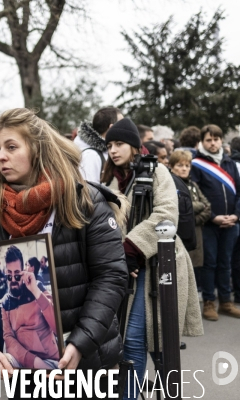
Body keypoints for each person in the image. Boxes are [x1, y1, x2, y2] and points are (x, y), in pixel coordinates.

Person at [0, 108, 128, 399]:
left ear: (38, 149)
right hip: (24, 366)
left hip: (86, 361)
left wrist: (79, 344)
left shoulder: (83, 200)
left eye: (11, 147)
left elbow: (111, 278)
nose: (0, 156)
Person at [102, 118, 203, 400]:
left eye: (119, 143)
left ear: (135, 146)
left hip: (160, 263)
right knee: (130, 341)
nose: (113, 150)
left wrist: (131, 247)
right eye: (109, 145)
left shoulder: (157, 171)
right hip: (124, 266)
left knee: (150, 342)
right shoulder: (108, 180)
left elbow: (166, 215)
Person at [191, 124, 240, 319]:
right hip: (210, 224)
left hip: (231, 222)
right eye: (209, 140)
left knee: (226, 263)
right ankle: (209, 302)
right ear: (202, 142)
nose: (213, 143)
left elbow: (239, 193)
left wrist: (236, 215)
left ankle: (226, 302)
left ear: (221, 140)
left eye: (216, 139)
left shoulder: (229, 163)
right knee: (209, 263)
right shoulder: (196, 165)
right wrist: (213, 217)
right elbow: (195, 197)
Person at [1, 246, 59, 370]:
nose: (13, 280)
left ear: (23, 271)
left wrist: (36, 291)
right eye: (9, 276)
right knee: (2, 362)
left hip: (50, 360)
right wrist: (35, 362)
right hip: (25, 361)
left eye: (17, 275)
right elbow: (8, 337)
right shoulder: (6, 302)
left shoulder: (37, 287)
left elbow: (57, 326)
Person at [169, 150, 211, 293]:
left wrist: (194, 218)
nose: (184, 169)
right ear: (172, 166)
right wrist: (198, 206)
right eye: (180, 165)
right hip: (180, 233)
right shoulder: (170, 183)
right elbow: (180, 207)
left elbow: (208, 207)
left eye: (187, 165)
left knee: (192, 268)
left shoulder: (193, 185)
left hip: (195, 232)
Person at [74, 106, 123, 182]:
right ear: (111, 127)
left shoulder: (103, 150)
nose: (125, 128)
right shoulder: (91, 156)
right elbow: (90, 191)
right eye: (122, 124)